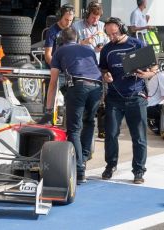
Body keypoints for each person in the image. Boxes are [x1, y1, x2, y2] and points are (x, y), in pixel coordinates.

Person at [39, 27, 103, 184]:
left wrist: (48, 110)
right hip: (97, 87)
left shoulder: (59, 52)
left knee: (74, 128)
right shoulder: (88, 49)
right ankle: (84, 160)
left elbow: (53, 83)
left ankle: (79, 169)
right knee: (89, 123)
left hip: (79, 86)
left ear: (61, 40)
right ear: (77, 37)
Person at [99, 17, 157, 184]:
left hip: (136, 96)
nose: (112, 37)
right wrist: (105, 75)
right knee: (110, 134)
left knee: (138, 136)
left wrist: (147, 74)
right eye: (108, 34)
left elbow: (154, 66)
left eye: (114, 33)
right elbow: (103, 68)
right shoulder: (107, 50)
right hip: (114, 97)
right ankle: (110, 165)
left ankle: (138, 170)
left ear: (122, 29)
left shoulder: (137, 44)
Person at [72, 1, 109, 140]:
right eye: (93, 17)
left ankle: (102, 130)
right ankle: (81, 130)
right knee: (85, 100)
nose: (96, 20)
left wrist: (102, 48)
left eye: (98, 17)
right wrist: (83, 43)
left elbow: (108, 43)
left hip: (100, 66)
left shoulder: (102, 26)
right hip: (83, 68)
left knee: (103, 99)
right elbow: (70, 45)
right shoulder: (77, 26)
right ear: (88, 14)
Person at [147, 70, 163, 135]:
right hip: (150, 107)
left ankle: (157, 124)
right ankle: (155, 123)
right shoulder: (162, 75)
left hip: (155, 106)